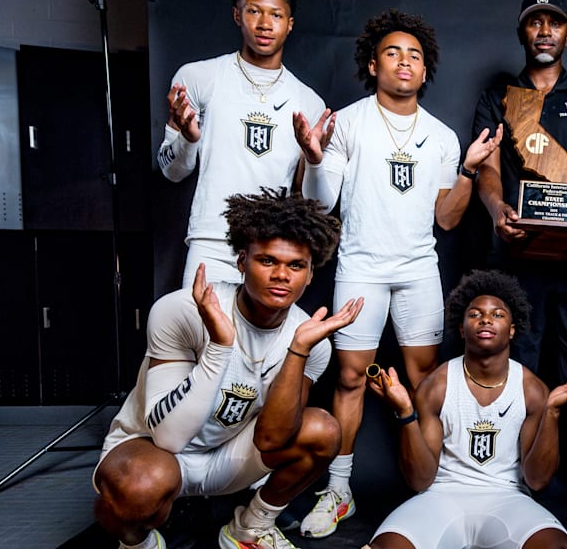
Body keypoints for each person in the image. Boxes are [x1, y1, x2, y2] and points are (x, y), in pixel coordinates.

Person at [292, 8, 501, 538]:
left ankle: (437, 479)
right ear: (372, 63)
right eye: (393, 52)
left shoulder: (442, 136)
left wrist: (469, 171)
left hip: (417, 271)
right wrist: (314, 158)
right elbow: (322, 203)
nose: (404, 62)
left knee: (425, 379)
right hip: (361, 265)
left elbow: (447, 219)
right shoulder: (348, 123)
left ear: (425, 71)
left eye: (414, 55)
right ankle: (338, 489)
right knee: (347, 377)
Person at [92, 188, 364, 549]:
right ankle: (138, 543)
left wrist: (298, 350)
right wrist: (220, 347)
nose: (281, 275)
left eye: (296, 265)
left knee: (323, 430)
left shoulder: (310, 339)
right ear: (241, 261)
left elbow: (272, 440)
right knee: (136, 489)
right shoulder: (183, 311)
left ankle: (248, 531)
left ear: (311, 274)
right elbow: (168, 437)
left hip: (229, 456)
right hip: (155, 453)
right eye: (267, 260)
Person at [473, 0, 567, 521]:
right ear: (522, 31)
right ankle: (512, 468)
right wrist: (493, 208)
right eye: (534, 22)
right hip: (517, 256)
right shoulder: (499, 96)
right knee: (517, 363)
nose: (543, 31)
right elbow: (486, 166)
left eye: (553, 22)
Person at [364, 269, 567, 549]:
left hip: (507, 498)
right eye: (475, 314)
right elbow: (420, 479)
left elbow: (537, 481)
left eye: (498, 314)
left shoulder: (532, 390)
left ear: (512, 330)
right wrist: (405, 413)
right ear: (462, 329)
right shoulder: (436, 386)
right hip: (442, 497)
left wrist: (552, 414)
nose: (486, 319)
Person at [157, 0, 335, 287]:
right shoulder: (198, 78)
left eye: (276, 15)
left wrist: (314, 159)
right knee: (203, 337)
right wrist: (189, 139)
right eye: (254, 11)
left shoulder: (310, 103)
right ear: (237, 15)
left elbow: (315, 203)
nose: (265, 24)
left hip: (272, 247)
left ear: (290, 24)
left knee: (260, 339)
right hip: (211, 240)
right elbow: (171, 170)